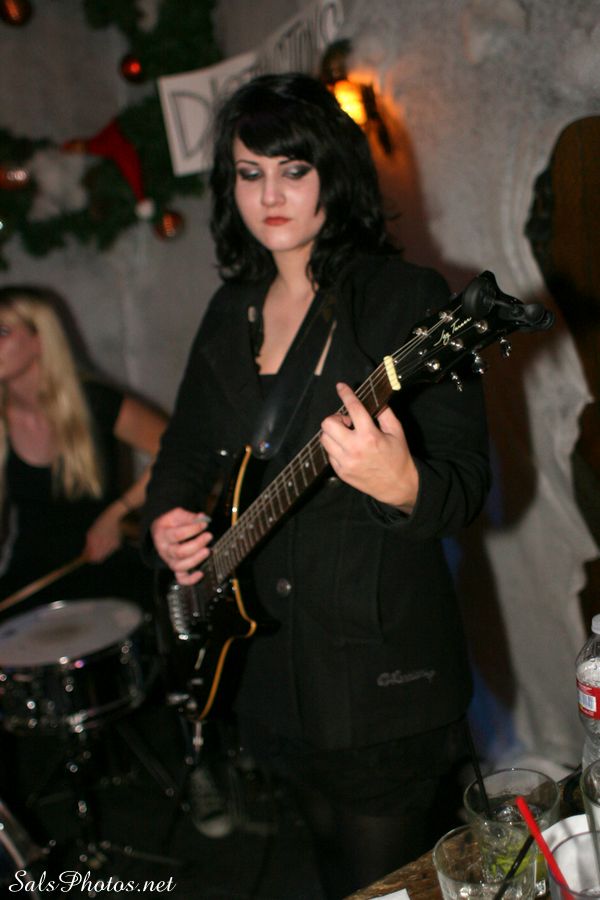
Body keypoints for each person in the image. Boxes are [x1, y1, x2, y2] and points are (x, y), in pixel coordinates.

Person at [142, 73, 491, 898]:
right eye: (249, 173)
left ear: (335, 176)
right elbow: (184, 448)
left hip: (379, 674)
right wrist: (166, 516)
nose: (270, 195)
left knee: (387, 886)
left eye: (293, 171)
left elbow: (464, 487)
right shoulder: (230, 309)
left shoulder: (403, 297)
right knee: (326, 864)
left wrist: (400, 482)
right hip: (261, 663)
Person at [0, 284, 167, 612]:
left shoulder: (95, 401)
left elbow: (176, 453)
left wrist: (117, 513)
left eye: (2, 332)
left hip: (106, 566)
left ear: (39, 340)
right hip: (33, 574)